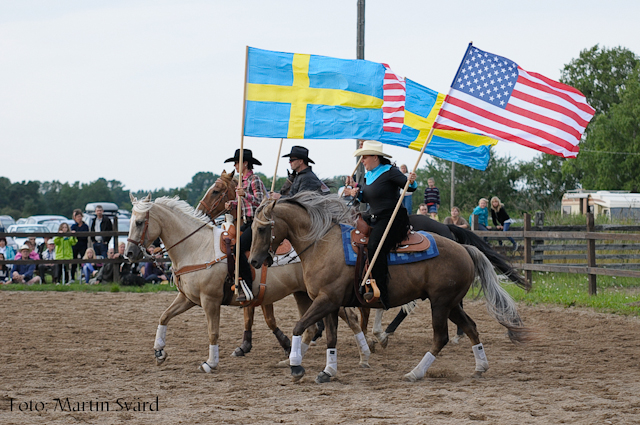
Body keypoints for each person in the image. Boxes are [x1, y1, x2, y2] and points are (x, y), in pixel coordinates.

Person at [343, 141, 417, 309]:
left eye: (364, 157)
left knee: (375, 245)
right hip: (374, 216)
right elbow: (365, 196)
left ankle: (381, 293)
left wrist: (411, 181)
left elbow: (409, 187)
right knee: (350, 233)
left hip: (392, 218)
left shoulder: (390, 172)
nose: (362, 161)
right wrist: (354, 191)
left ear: (375, 157)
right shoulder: (367, 175)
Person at [222, 148, 268, 302]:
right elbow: (243, 203)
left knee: (238, 248)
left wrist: (244, 195)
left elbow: (261, 202)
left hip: (256, 223)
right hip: (246, 222)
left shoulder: (254, 180)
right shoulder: (242, 182)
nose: (235, 166)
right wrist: (233, 203)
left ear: (245, 163)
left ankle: (247, 285)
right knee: (229, 242)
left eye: (237, 163)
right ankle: (236, 278)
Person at [71, 209, 89, 280]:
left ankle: (84, 275)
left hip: (83, 245)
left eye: (80, 216)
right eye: (77, 217)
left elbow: (85, 236)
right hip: (75, 245)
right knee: (74, 261)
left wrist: (77, 235)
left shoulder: (85, 226)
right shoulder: (73, 226)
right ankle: (72, 277)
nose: (79, 218)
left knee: (83, 260)